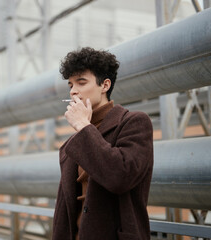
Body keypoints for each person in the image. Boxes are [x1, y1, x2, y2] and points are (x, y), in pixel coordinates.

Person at [52, 47, 154, 240]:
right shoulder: (73, 143)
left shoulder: (133, 123)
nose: (74, 91)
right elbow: (63, 213)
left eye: (81, 82)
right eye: (70, 85)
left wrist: (83, 125)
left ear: (105, 85)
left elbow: (120, 176)